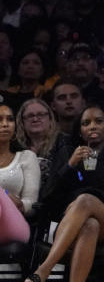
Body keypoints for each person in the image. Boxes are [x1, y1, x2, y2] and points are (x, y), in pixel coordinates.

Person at [29, 105, 104, 282]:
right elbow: (47, 196)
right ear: (80, 130)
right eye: (86, 123)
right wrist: (70, 165)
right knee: (90, 225)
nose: (92, 126)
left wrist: (91, 198)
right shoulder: (69, 153)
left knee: (85, 200)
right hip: (71, 224)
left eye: (99, 121)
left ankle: (43, 269)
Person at [0, 103, 40, 241]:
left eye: (10, 119)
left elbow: (31, 202)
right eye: (0, 120)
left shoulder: (27, 157)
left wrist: (7, 197)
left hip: (16, 222)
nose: (5, 124)